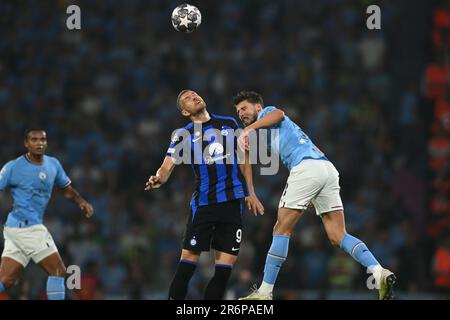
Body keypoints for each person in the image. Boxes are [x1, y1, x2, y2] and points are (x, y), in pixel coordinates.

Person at [233, 91, 396, 300]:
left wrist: (247, 129)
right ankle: (378, 271)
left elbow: (279, 114)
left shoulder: (268, 112)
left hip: (307, 168)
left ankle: (264, 292)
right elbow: (246, 157)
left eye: (244, 108)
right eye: (238, 112)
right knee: (338, 236)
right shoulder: (261, 133)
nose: (241, 114)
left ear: (257, 107)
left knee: (281, 228)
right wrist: (251, 190)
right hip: (324, 168)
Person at [145, 89, 264, 300]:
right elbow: (167, 167)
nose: (194, 97)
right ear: (184, 112)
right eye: (187, 99)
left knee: (224, 272)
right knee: (187, 266)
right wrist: (158, 178)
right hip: (204, 205)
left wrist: (250, 192)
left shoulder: (229, 123)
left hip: (232, 204)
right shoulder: (184, 134)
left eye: (194, 94)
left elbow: (244, 157)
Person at [0, 129, 94, 300]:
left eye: (42, 139)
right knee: (58, 270)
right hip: (27, 227)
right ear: (26, 144)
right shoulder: (13, 168)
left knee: (6, 280)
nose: (39, 143)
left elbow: (66, 189)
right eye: (34, 140)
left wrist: (80, 201)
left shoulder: (53, 164)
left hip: (16, 229)